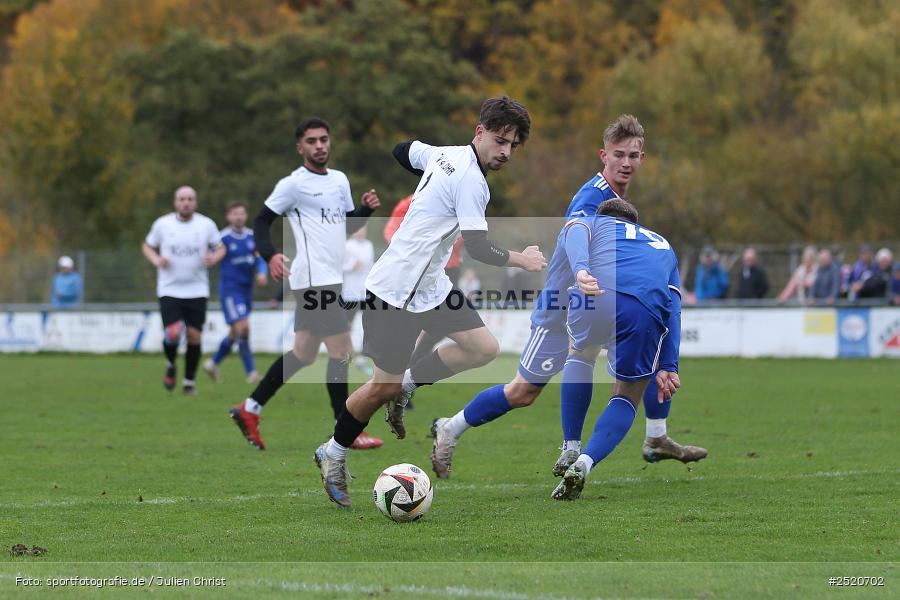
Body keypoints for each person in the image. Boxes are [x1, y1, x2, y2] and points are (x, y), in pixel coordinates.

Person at [429, 115, 705, 482]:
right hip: (564, 305)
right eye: (619, 155)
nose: (626, 163)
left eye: (634, 156)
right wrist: (582, 272)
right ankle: (451, 427)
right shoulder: (593, 196)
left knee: (645, 356)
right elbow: (576, 233)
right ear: (603, 155)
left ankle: (650, 437)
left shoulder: (617, 199)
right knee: (522, 391)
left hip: (597, 300)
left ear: (642, 158)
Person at [315, 96, 547, 507]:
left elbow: (402, 150)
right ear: (480, 132)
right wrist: (522, 259)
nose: (506, 151)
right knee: (379, 387)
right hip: (394, 290)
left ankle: (407, 385)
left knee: (483, 349)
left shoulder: (443, 154)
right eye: (499, 140)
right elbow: (477, 247)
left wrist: (427, 181)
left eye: (513, 145)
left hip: (430, 286)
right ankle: (332, 452)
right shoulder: (472, 181)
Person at [228, 117, 381, 451]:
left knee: (304, 353)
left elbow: (344, 226)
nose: (319, 146)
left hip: (330, 279)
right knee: (341, 352)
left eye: (324, 139)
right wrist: (269, 255)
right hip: (313, 281)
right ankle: (347, 429)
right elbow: (261, 221)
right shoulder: (293, 184)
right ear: (300, 147)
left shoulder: (340, 180)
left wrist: (365, 211)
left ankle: (250, 408)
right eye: (311, 141)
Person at [552, 199, 682, 500]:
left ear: (604, 217)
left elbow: (574, 231)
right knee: (627, 394)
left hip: (593, 293)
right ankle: (585, 462)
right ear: (635, 222)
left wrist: (581, 269)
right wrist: (669, 365)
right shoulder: (662, 244)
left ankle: (570, 446)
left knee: (580, 353)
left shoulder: (592, 222)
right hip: (642, 308)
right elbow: (673, 308)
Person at [142, 186, 224, 395]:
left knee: (195, 337)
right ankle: (170, 364)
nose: (186, 202)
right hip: (169, 289)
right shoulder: (162, 224)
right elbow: (147, 246)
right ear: (175, 202)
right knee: (173, 332)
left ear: (195, 202)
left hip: (197, 290)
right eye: (181, 199)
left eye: (190, 199)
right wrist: (156, 259)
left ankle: (189, 382)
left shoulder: (206, 224)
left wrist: (214, 258)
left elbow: (221, 247)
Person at [203, 201, 268, 384]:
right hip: (230, 291)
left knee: (235, 333)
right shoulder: (221, 238)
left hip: (246, 291)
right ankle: (252, 373)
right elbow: (208, 255)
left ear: (246, 216)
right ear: (228, 216)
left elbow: (261, 258)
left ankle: (213, 363)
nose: (238, 216)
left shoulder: (252, 237)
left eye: (241, 213)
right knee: (244, 327)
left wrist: (262, 273)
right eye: (234, 213)